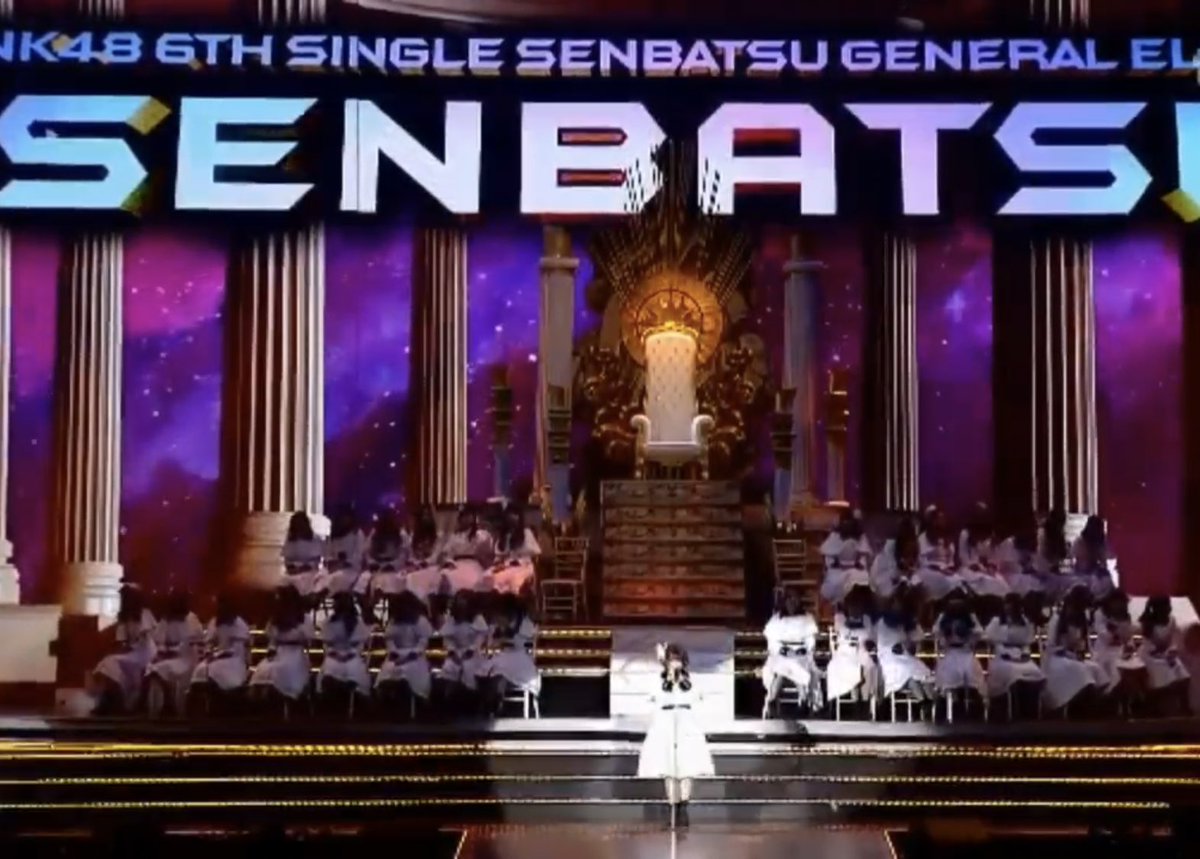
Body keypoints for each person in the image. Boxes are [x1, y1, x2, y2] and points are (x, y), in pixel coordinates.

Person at [636, 642, 714, 829]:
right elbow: (652, 697)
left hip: (686, 724)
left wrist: (681, 681)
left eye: (678, 660)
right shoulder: (659, 681)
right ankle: (672, 806)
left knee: (686, 767)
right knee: (668, 768)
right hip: (665, 724)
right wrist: (668, 679)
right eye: (672, 660)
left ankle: (683, 808)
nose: (675, 663)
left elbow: (697, 697)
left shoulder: (692, 681)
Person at [89, 584, 156, 715]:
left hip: (145, 652)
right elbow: (122, 643)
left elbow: (146, 638)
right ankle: (111, 700)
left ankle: (116, 702)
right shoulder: (124, 618)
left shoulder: (144, 614)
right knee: (108, 663)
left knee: (110, 662)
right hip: (131, 653)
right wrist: (117, 652)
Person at [1042, 587, 1105, 713]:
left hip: (1075, 658)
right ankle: (1081, 706)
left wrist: (1082, 652)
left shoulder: (1082, 619)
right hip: (1057, 659)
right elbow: (1050, 645)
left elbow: (1085, 645)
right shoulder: (1057, 619)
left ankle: (1093, 706)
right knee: (1081, 671)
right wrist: (1065, 651)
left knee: (1096, 668)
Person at [761, 588, 822, 717]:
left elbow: (810, 640)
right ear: (785, 602)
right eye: (789, 600)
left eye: (795, 600)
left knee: (799, 667)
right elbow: (772, 641)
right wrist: (782, 650)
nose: (792, 603)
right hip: (782, 654)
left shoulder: (807, 619)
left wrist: (803, 649)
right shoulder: (777, 619)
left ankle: (804, 700)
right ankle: (772, 699)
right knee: (780, 669)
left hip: (801, 655)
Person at [249, 585, 314, 705]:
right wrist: (271, 649)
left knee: (280, 669)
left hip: (296, 654)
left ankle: (281, 696)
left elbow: (309, 638)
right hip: (279, 653)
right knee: (263, 669)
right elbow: (272, 639)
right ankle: (261, 701)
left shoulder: (304, 618)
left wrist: (294, 626)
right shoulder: (275, 619)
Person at [144, 590, 204, 718]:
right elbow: (159, 640)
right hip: (168, 657)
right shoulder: (166, 619)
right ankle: (160, 707)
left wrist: (173, 650)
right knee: (154, 669)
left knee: (162, 668)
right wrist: (162, 651)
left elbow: (192, 643)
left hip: (186, 659)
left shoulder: (191, 619)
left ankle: (175, 706)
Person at [984, 593, 1046, 712]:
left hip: (1022, 657)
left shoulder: (1025, 622)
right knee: (1012, 673)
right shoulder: (997, 621)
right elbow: (991, 640)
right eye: (1006, 604)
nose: (1008, 607)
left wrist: (1024, 654)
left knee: (1035, 672)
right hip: (1003, 658)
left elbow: (1027, 642)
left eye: (1011, 604)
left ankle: (1029, 708)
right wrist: (1006, 654)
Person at [482, 592, 541, 715]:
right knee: (496, 673)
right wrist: (499, 638)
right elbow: (492, 642)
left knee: (502, 669)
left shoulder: (524, 622)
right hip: (504, 656)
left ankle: (494, 702)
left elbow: (529, 638)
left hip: (520, 658)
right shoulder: (499, 624)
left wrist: (511, 639)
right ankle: (494, 702)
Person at [375, 591, 434, 714]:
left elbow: (423, 642)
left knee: (410, 671)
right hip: (396, 655)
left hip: (415, 656)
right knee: (388, 669)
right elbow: (389, 639)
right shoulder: (394, 621)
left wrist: (412, 654)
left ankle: (411, 696)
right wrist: (393, 651)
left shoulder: (420, 621)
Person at [875, 585, 935, 703]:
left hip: (906, 657)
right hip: (890, 658)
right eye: (896, 603)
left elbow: (916, 640)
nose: (898, 606)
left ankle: (933, 702)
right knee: (908, 674)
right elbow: (882, 643)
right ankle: (923, 701)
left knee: (923, 674)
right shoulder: (882, 622)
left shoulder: (905, 622)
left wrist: (911, 644)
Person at [190, 593, 251, 707]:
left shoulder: (240, 624)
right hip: (216, 658)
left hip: (235, 661)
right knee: (201, 669)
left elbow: (241, 649)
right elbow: (209, 643)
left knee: (218, 670)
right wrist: (209, 653)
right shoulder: (215, 622)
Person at [826, 584, 879, 711]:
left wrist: (868, 643)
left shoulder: (866, 619)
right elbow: (840, 634)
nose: (855, 608)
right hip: (844, 652)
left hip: (861, 651)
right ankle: (855, 701)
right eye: (852, 606)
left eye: (858, 606)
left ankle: (865, 701)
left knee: (870, 668)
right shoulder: (841, 619)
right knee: (843, 667)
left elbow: (870, 636)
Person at [318, 591, 372, 705]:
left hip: (352, 655)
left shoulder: (358, 622)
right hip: (334, 655)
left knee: (354, 668)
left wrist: (350, 654)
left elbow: (360, 644)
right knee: (329, 668)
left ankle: (354, 690)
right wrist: (333, 653)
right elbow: (326, 644)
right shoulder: (328, 622)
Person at [932, 590, 987, 704]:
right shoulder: (944, 616)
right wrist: (945, 631)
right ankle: (951, 701)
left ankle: (973, 701)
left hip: (966, 652)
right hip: (950, 652)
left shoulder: (970, 617)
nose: (955, 606)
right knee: (949, 676)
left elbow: (980, 631)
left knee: (972, 676)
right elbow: (935, 630)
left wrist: (968, 631)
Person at [1139, 596, 1192, 713]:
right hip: (1150, 656)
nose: (1168, 608)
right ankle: (1155, 707)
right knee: (1163, 677)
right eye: (1165, 606)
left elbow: (1175, 638)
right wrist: (1157, 651)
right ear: (1157, 608)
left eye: (1168, 605)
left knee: (1184, 675)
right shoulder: (1148, 623)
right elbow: (1147, 643)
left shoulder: (1172, 620)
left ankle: (1184, 706)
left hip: (1167, 654)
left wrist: (1172, 650)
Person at [438, 590, 490, 706]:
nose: (462, 604)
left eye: (464, 601)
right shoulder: (452, 619)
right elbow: (447, 638)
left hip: (473, 653)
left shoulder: (477, 618)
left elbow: (481, 637)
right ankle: (448, 701)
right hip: (456, 652)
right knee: (449, 666)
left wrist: (471, 650)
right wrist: (452, 651)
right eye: (460, 601)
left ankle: (472, 699)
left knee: (469, 667)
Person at [1091, 589, 1144, 701]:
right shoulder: (1100, 614)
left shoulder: (1125, 616)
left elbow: (1128, 635)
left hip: (1121, 651)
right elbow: (1103, 634)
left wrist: (1129, 644)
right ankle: (1107, 697)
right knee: (1114, 672)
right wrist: (1114, 632)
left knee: (1136, 667)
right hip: (1104, 651)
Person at [957, 502, 1009, 601]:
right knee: (985, 581)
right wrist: (975, 565)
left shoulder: (990, 535)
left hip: (985, 569)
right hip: (969, 569)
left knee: (1000, 582)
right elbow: (963, 557)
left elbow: (991, 557)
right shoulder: (965, 534)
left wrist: (991, 565)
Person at [818, 509, 871, 605]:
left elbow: (863, 559)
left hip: (856, 571)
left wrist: (856, 565)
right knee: (833, 585)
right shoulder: (835, 536)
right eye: (845, 522)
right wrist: (839, 565)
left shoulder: (860, 536)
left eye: (849, 522)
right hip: (837, 572)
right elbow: (829, 561)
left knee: (863, 581)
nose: (847, 525)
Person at [439, 506, 495, 594]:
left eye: (468, 516)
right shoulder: (454, 537)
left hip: (474, 564)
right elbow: (445, 553)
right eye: (463, 516)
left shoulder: (482, 535)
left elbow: (488, 554)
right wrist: (449, 562)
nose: (466, 519)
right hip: (456, 564)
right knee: (444, 575)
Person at [490, 504, 542, 596]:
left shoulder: (526, 533)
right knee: (491, 577)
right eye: (510, 515)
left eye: (515, 514)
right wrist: (499, 562)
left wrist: (518, 553)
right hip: (506, 566)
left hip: (523, 565)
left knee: (515, 580)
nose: (512, 517)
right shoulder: (504, 535)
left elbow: (536, 551)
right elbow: (498, 553)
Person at [319, 506, 369, 598]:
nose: (344, 520)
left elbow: (358, 556)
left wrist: (344, 563)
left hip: (351, 570)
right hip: (332, 568)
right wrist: (332, 561)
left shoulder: (357, 533)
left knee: (337, 578)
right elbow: (327, 554)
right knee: (320, 578)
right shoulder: (333, 535)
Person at [917, 505, 961, 602]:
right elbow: (921, 561)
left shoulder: (947, 540)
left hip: (946, 571)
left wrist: (950, 568)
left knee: (960, 582)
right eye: (938, 519)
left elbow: (951, 560)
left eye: (942, 519)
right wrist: (939, 569)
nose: (941, 521)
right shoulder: (922, 538)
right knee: (945, 582)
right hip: (928, 571)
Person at [402, 504, 444, 604]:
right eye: (424, 515)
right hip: (415, 567)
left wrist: (425, 563)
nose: (426, 517)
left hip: (431, 567)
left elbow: (436, 555)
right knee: (406, 578)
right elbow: (411, 554)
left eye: (428, 514)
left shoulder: (438, 536)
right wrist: (415, 563)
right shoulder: (413, 536)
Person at [871, 516, 920, 601]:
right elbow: (888, 577)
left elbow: (916, 570)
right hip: (883, 582)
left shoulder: (916, 547)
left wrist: (910, 572)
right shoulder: (888, 550)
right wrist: (900, 568)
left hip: (903, 583)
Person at [1073, 515, 1116, 603]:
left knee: (1106, 581)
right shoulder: (1080, 541)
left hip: (1098, 573)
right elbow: (1081, 560)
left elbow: (1111, 555)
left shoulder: (1102, 541)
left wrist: (1102, 551)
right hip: (1082, 574)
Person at [281, 511, 324, 598]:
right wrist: (292, 568)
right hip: (293, 573)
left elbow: (316, 560)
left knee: (304, 582)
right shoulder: (290, 540)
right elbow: (287, 560)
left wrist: (304, 567)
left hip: (310, 573)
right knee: (284, 583)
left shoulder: (315, 540)